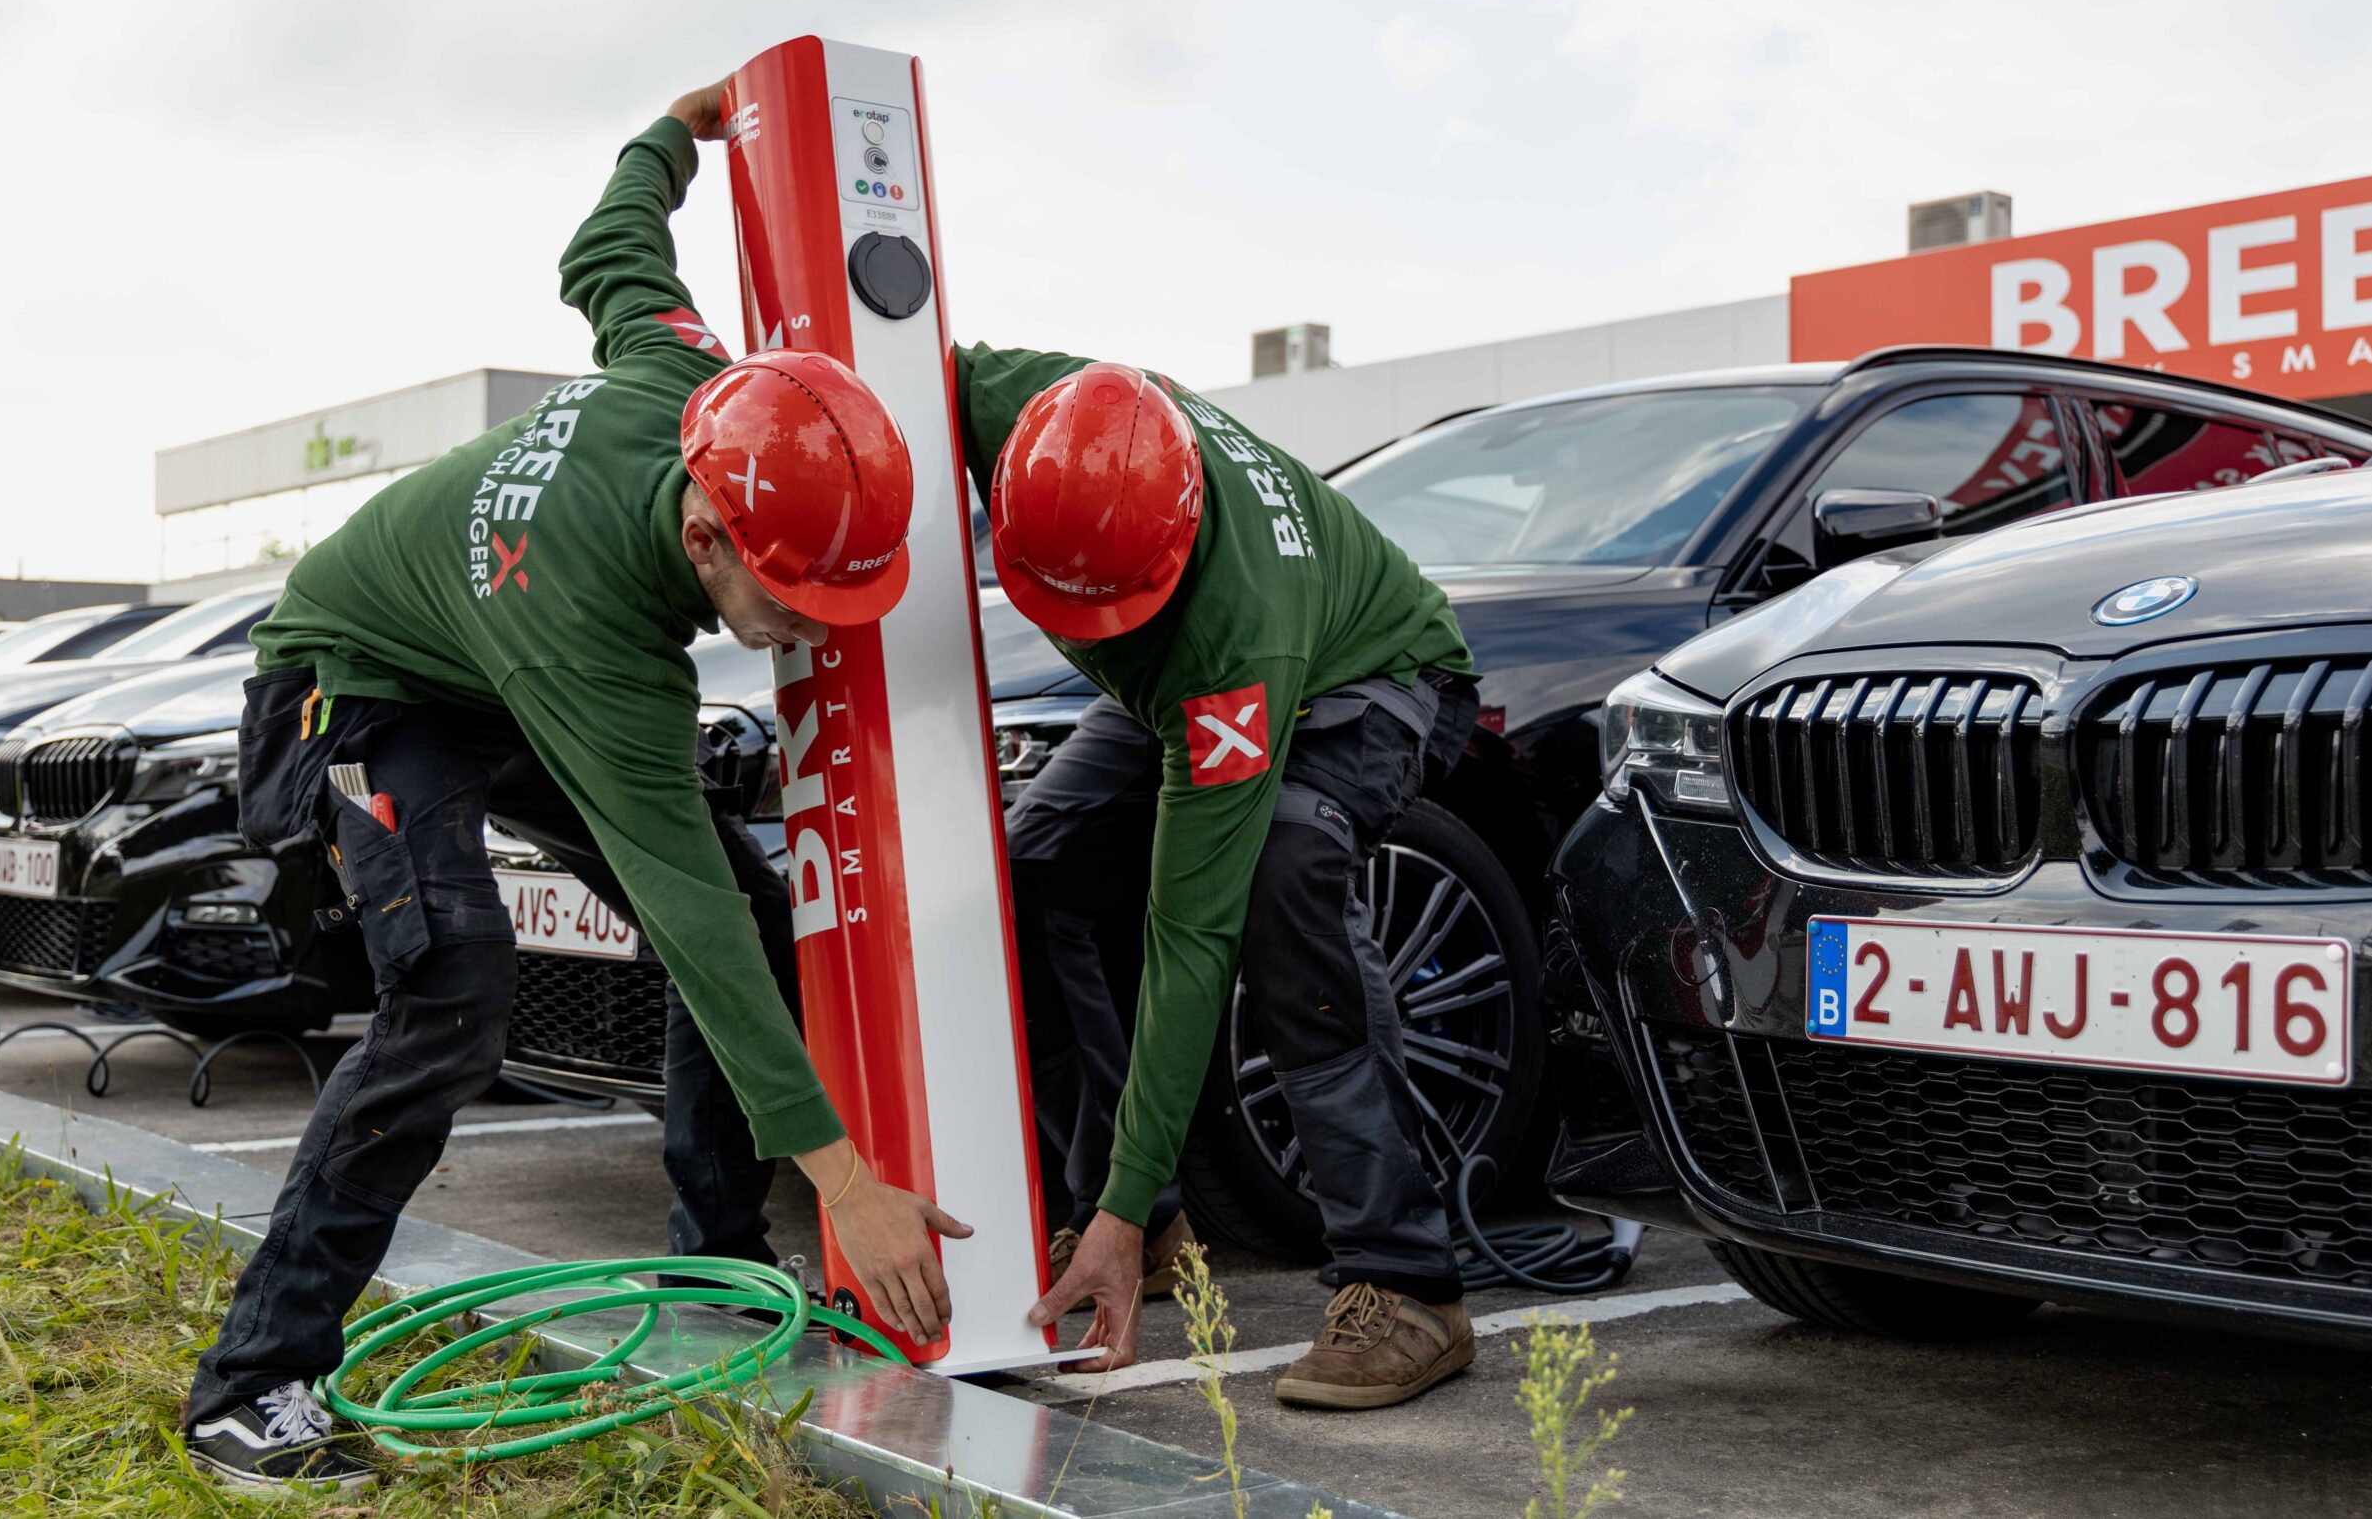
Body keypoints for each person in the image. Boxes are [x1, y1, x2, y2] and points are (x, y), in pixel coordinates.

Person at [179, 83, 971, 1498]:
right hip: (351, 685)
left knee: (744, 885)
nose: (806, 626)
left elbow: (608, 251)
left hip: (489, 672)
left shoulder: (693, 377)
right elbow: (693, 938)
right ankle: (257, 1380)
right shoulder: (611, 649)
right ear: (704, 524)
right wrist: (847, 1176)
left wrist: (674, 133)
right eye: (789, 598)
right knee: (455, 979)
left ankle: (722, 1253)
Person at [980, 352, 1483, 1410]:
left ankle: (1405, 1282)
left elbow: (1187, 939)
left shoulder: (1230, 624)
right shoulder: (1013, 405)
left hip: (1371, 675)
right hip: (1181, 671)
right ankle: (1143, 1221)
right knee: (1036, 872)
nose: (1078, 634)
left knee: (1280, 868)